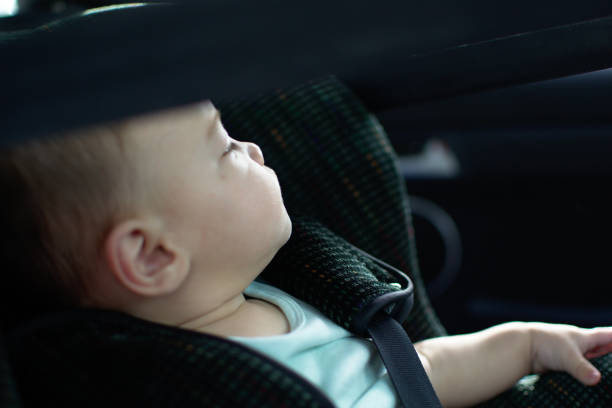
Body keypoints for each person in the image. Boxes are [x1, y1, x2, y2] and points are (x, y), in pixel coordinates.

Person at [2, 101, 612, 408]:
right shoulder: (188, 387)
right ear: (153, 255)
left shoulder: (279, 293)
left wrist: (523, 344)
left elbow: (407, 376)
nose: (257, 149)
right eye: (226, 152)